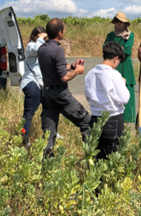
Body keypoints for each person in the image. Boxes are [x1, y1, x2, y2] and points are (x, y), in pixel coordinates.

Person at [38, 18, 91, 156]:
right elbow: (64, 77)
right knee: (86, 121)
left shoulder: (42, 49)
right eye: (64, 29)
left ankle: (47, 164)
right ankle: (92, 160)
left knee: (49, 133)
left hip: (47, 95)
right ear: (60, 33)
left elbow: (57, 67)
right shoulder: (58, 50)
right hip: (60, 94)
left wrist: (72, 65)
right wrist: (77, 71)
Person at [85, 42, 130, 159]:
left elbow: (88, 96)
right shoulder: (114, 74)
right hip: (112, 118)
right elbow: (124, 98)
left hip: (95, 117)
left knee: (96, 154)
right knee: (112, 155)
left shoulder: (90, 73)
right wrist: (123, 84)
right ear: (116, 59)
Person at [104, 12, 136, 123]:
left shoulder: (130, 35)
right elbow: (105, 48)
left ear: (124, 23)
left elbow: (127, 50)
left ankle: (126, 122)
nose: (118, 23)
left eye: (121, 21)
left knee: (127, 92)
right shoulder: (110, 35)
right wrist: (119, 48)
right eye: (117, 21)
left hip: (125, 66)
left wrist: (113, 49)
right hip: (112, 66)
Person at [20, 26, 47, 147]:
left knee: (48, 109)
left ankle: (50, 134)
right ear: (34, 36)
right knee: (29, 114)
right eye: (41, 36)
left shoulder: (42, 46)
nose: (44, 39)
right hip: (31, 83)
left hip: (39, 83)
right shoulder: (32, 46)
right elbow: (37, 48)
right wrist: (40, 39)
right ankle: (24, 141)